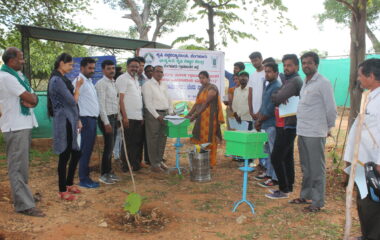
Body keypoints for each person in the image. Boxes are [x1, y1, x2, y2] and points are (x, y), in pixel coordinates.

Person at [290, 51, 337, 212]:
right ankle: (305, 195)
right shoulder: (306, 82)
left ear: (316, 64)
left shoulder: (323, 82)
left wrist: (327, 128)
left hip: (315, 132)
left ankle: (317, 202)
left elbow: (331, 109)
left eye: (309, 63)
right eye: (304, 63)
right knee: (306, 167)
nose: (306, 66)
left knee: (317, 169)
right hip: (302, 130)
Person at [0, 47, 44, 216]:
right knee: (17, 167)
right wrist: (32, 99)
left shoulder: (17, 76)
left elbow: (33, 97)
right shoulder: (6, 78)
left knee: (22, 166)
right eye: (21, 58)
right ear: (11, 61)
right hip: (15, 126)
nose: (23, 61)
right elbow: (30, 98)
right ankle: (24, 205)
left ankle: (24, 198)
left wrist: (32, 99)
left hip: (22, 124)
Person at [344, 59, 380, 240]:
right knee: (364, 201)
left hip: (374, 164)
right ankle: (367, 234)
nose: (358, 79)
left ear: (371, 76)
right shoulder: (370, 95)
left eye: (360, 75)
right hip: (362, 162)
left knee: (373, 204)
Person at [266, 54, 303, 199]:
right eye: (285, 65)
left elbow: (278, 98)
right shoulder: (288, 80)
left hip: (289, 125)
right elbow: (278, 95)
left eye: (289, 65)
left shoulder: (294, 81)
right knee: (287, 157)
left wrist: (278, 96)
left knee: (276, 157)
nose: (286, 68)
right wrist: (278, 94)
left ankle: (283, 189)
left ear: (296, 66)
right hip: (285, 124)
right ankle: (288, 187)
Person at [47, 53, 83, 200]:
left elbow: (72, 105)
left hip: (71, 119)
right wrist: (78, 87)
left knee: (75, 153)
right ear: (61, 63)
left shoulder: (63, 79)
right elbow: (72, 100)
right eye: (70, 64)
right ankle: (62, 190)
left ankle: (69, 184)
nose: (71, 67)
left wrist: (78, 119)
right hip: (64, 121)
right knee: (65, 155)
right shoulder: (56, 80)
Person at [187, 71, 224, 167]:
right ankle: (202, 159)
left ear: (208, 78)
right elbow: (197, 103)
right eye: (200, 78)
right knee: (201, 139)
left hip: (210, 120)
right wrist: (189, 114)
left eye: (203, 78)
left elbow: (205, 103)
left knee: (210, 139)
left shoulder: (212, 88)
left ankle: (211, 162)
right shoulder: (202, 89)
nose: (201, 80)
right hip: (201, 119)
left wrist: (194, 116)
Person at [73, 57, 100, 188]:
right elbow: (73, 102)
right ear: (82, 68)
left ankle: (85, 176)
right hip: (85, 120)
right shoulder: (79, 81)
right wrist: (78, 120)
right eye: (89, 68)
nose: (92, 70)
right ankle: (83, 179)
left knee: (88, 149)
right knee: (85, 150)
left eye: (93, 68)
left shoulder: (89, 81)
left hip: (91, 120)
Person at [253, 62, 282, 188]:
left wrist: (259, 121)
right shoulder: (268, 84)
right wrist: (258, 118)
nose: (267, 74)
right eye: (266, 71)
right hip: (265, 124)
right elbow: (263, 105)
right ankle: (269, 174)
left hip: (272, 124)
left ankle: (275, 178)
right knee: (268, 151)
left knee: (274, 151)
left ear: (276, 73)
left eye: (269, 71)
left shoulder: (277, 86)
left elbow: (270, 109)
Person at [142, 65, 173, 173]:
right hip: (153, 114)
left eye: (161, 72)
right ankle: (154, 164)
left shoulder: (164, 84)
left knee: (162, 138)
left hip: (165, 114)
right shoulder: (147, 85)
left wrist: (170, 113)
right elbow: (148, 103)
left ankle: (159, 161)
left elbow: (169, 99)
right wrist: (157, 116)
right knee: (153, 139)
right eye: (157, 71)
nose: (159, 73)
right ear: (153, 73)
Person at [116, 57, 144, 172]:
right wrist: (124, 117)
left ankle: (135, 165)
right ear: (127, 67)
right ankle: (125, 165)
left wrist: (141, 116)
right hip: (128, 117)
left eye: (137, 67)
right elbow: (120, 100)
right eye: (132, 66)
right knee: (128, 142)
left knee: (136, 142)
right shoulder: (123, 79)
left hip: (137, 116)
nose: (135, 68)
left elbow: (138, 99)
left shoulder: (136, 80)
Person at [95, 60, 120, 184]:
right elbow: (101, 105)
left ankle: (109, 171)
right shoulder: (101, 84)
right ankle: (104, 174)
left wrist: (118, 117)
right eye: (109, 68)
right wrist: (106, 122)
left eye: (113, 68)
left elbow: (115, 102)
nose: (112, 70)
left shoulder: (113, 83)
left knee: (111, 146)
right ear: (103, 70)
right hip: (107, 118)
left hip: (114, 117)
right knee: (108, 147)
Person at [136, 56, 150, 167]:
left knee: (142, 138)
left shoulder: (144, 79)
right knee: (135, 139)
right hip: (134, 113)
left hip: (144, 112)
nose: (140, 68)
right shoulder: (132, 78)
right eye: (139, 65)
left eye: (142, 66)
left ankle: (140, 160)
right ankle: (133, 161)